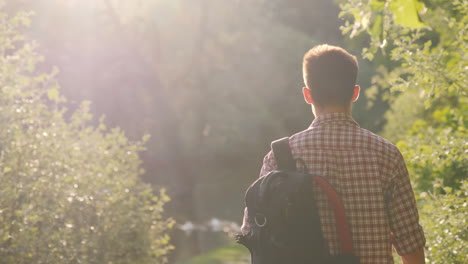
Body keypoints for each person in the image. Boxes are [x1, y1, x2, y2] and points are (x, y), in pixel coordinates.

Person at [241, 44, 426, 264]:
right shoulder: (386, 155)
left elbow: (253, 233)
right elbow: (411, 247)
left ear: (307, 95)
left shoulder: (280, 156)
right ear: (355, 93)